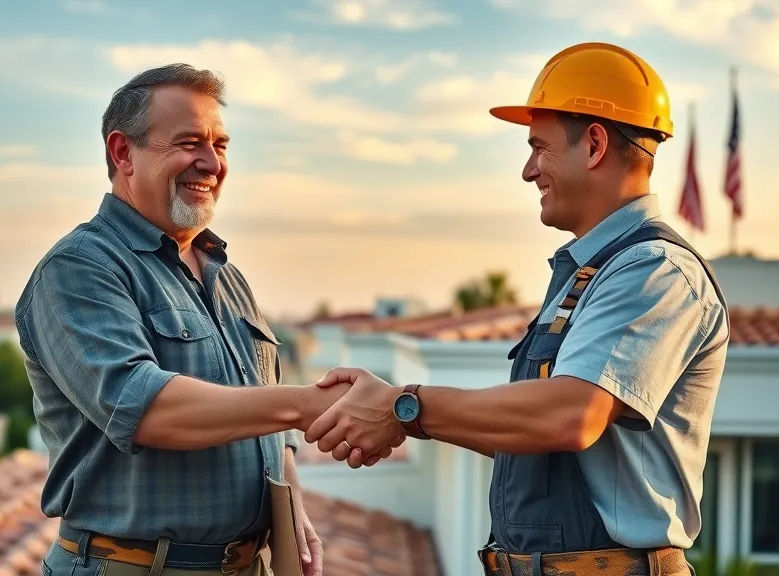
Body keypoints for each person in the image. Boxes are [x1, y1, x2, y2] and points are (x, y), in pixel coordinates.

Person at [305, 42, 730, 575]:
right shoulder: (591, 272)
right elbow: (532, 433)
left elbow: (569, 415)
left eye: (540, 147)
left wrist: (402, 407)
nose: (530, 171)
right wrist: (398, 412)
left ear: (595, 143)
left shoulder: (655, 270)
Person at [15, 64, 397, 576]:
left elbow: (267, 418)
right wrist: (309, 405)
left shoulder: (228, 277)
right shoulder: (80, 269)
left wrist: (292, 511)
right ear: (122, 153)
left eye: (220, 145)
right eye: (189, 143)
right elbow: (146, 409)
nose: (210, 163)